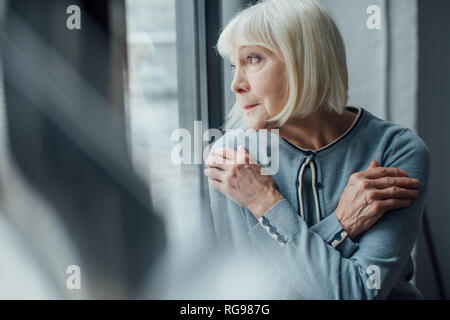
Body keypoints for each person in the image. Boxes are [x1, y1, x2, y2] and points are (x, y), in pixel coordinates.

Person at [203, 0, 430, 299]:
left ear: (305, 60)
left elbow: (358, 292)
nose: (236, 84)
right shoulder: (233, 162)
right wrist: (340, 226)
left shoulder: (396, 150)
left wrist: (266, 206)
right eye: (235, 65)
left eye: (253, 59)